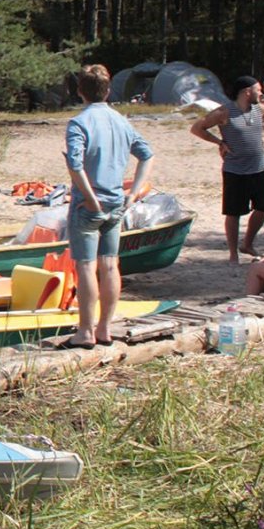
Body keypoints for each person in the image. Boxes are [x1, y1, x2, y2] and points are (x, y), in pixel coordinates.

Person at [64, 64, 155, 347]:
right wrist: (133, 193)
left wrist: (90, 198)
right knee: (110, 265)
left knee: (86, 267)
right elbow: (147, 156)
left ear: (80, 91)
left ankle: (85, 331)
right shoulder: (121, 120)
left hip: (89, 206)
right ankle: (105, 328)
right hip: (116, 201)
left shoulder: (79, 123)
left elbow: (75, 166)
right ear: (108, 89)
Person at [189, 75, 264, 262]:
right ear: (247, 92)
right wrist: (219, 142)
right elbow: (198, 128)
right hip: (235, 170)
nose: (262, 92)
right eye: (258, 89)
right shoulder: (224, 112)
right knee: (233, 213)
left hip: (259, 168)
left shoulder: (260, 109)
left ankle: (248, 243)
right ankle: (233, 253)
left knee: (262, 208)